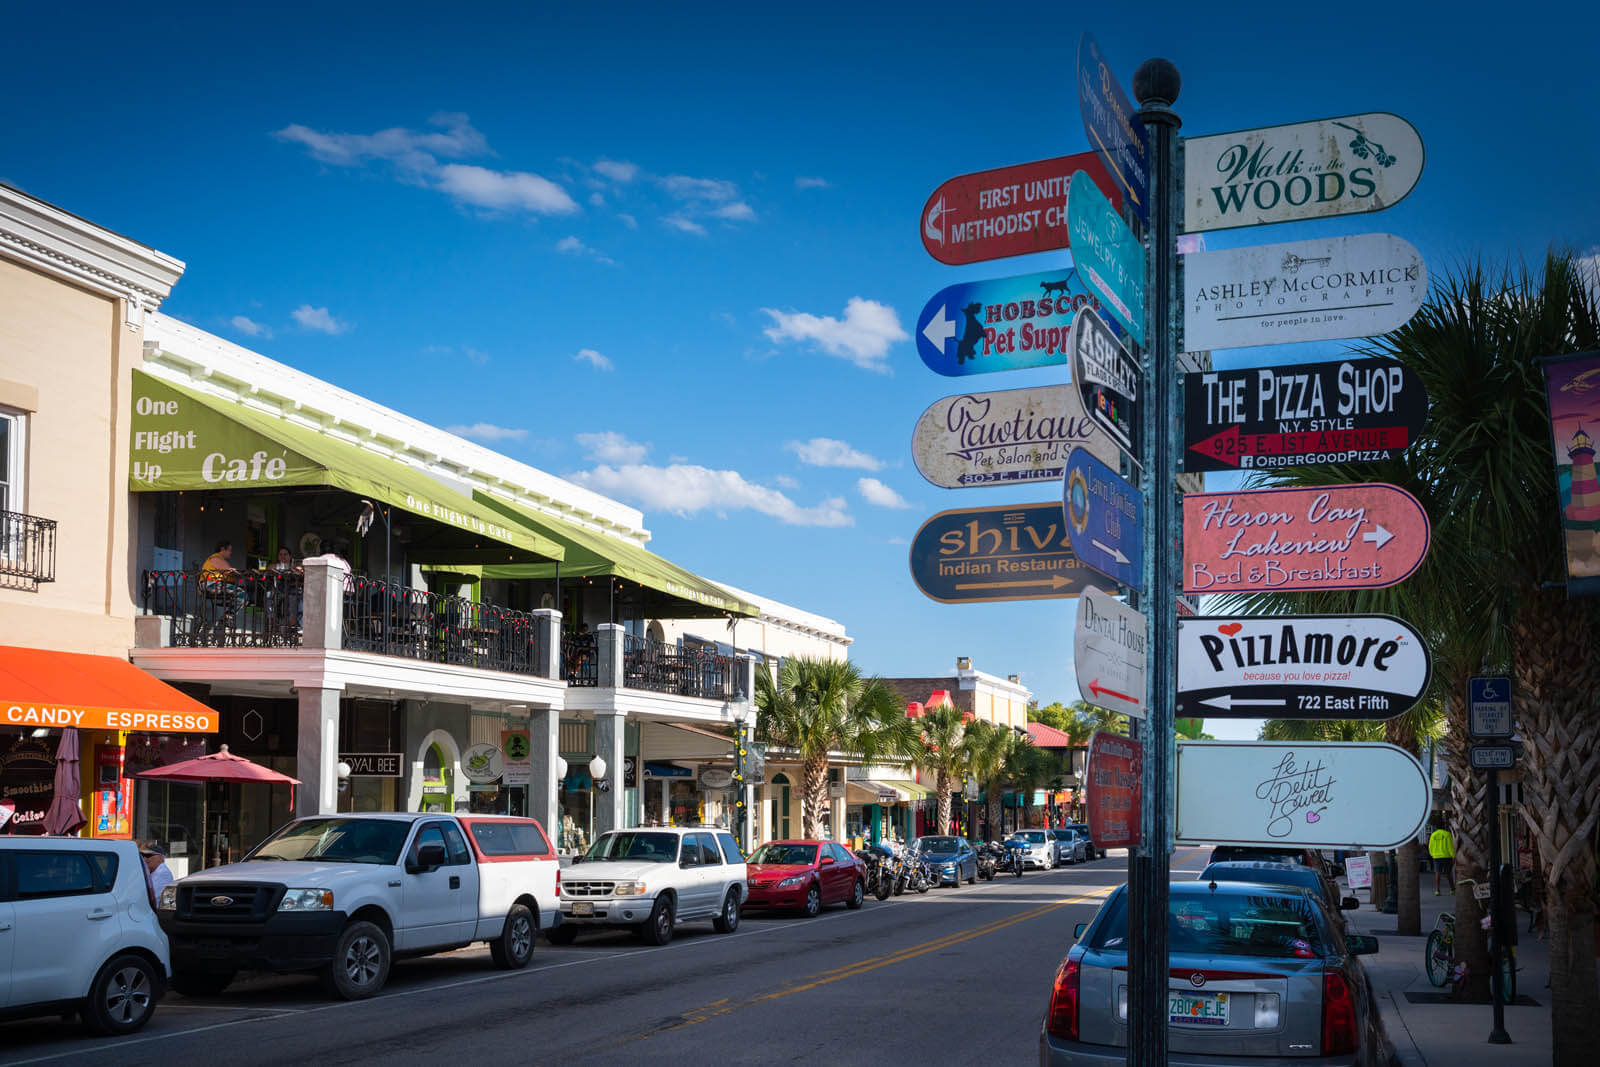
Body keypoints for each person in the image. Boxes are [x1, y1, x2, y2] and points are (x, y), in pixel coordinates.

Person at [200, 539, 246, 625]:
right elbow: (230, 571)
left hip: (214, 585)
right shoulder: (216, 558)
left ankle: (226, 619)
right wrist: (238, 574)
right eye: (229, 550)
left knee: (238, 596)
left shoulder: (216, 559)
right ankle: (227, 617)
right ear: (222, 549)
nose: (231, 553)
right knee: (243, 595)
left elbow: (229, 574)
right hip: (211, 585)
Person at [1429, 818, 1456, 895]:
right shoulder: (1447, 834)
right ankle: (1452, 889)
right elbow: (1450, 846)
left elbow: (1430, 847)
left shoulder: (1433, 835)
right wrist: (1453, 856)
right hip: (1446, 856)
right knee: (1448, 873)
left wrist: (1432, 854)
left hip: (1436, 857)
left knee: (1437, 873)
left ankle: (1437, 890)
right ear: (1443, 826)